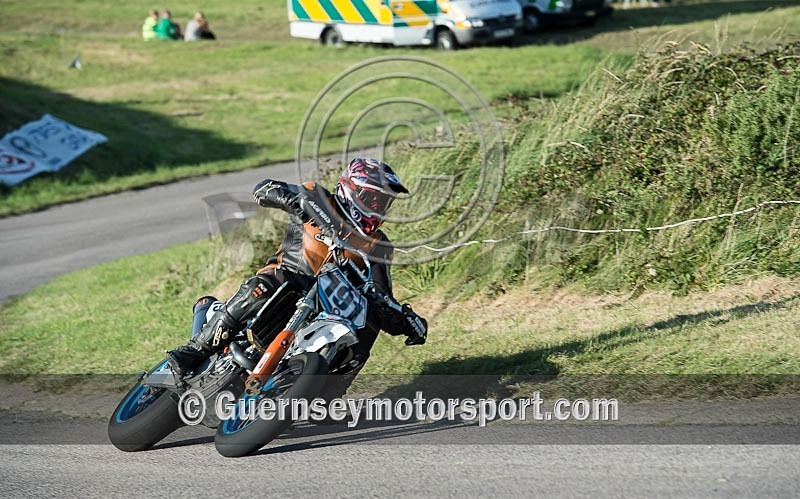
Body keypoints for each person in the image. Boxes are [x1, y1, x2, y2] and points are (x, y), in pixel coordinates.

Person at [166, 158, 428, 396]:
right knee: (263, 287)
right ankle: (195, 350)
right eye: (373, 199)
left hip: (325, 306)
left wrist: (407, 320)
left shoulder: (379, 245)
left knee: (368, 322)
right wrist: (292, 200)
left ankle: (329, 395)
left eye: (384, 202)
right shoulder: (317, 197)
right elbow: (263, 188)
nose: (378, 208)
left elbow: (382, 295)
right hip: (287, 277)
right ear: (350, 190)